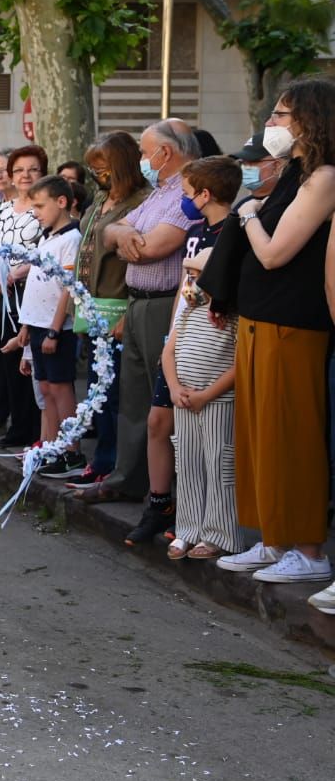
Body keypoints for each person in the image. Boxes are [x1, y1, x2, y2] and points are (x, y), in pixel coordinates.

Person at [199, 81, 335, 586]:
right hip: (260, 320)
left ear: (310, 119)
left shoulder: (323, 177)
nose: (271, 125)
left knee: (292, 436)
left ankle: (308, 548)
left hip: (294, 323)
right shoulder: (296, 173)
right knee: (259, 436)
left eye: (281, 116)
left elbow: (276, 252)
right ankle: (274, 538)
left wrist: (249, 214)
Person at [79, 121, 200, 541]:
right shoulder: (160, 192)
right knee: (133, 397)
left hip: (167, 302)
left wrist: (128, 238)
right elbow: (109, 229)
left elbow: (155, 248)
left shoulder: (190, 187)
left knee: (161, 402)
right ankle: (129, 476)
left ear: (165, 154)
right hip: (138, 301)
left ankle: (173, 493)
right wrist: (125, 233)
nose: (143, 161)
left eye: (147, 152)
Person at [161, 156, 243, 560]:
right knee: (187, 459)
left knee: (220, 462)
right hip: (185, 389)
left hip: (216, 392)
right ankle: (188, 526)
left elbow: (241, 361)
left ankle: (220, 532)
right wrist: (175, 385)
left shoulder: (231, 312)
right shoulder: (191, 306)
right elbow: (170, 346)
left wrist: (209, 392)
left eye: (189, 191)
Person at [70, 132, 150, 485]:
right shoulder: (98, 200)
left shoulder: (142, 202)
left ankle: (114, 465)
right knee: (95, 391)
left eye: (102, 168)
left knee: (114, 394)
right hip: (91, 308)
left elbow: (140, 262)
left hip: (119, 308)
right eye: (92, 169)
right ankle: (102, 461)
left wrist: (130, 311)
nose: (96, 175)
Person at [4, 175, 83, 474]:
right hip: (37, 326)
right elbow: (36, 286)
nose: (34, 211)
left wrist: (53, 329)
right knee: (47, 389)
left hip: (56, 329)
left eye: (40, 205)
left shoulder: (71, 239)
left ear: (61, 202)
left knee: (62, 390)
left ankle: (72, 452)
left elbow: (67, 287)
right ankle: (51, 447)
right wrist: (26, 327)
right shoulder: (48, 237)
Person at [0, 145, 47, 448]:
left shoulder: (45, 206)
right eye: (19, 170)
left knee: (32, 364)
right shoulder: (3, 208)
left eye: (32, 169)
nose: (25, 175)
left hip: (35, 292)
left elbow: (48, 248)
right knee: (9, 361)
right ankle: (18, 427)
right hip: (2, 295)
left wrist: (18, 273)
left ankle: (37, 432)